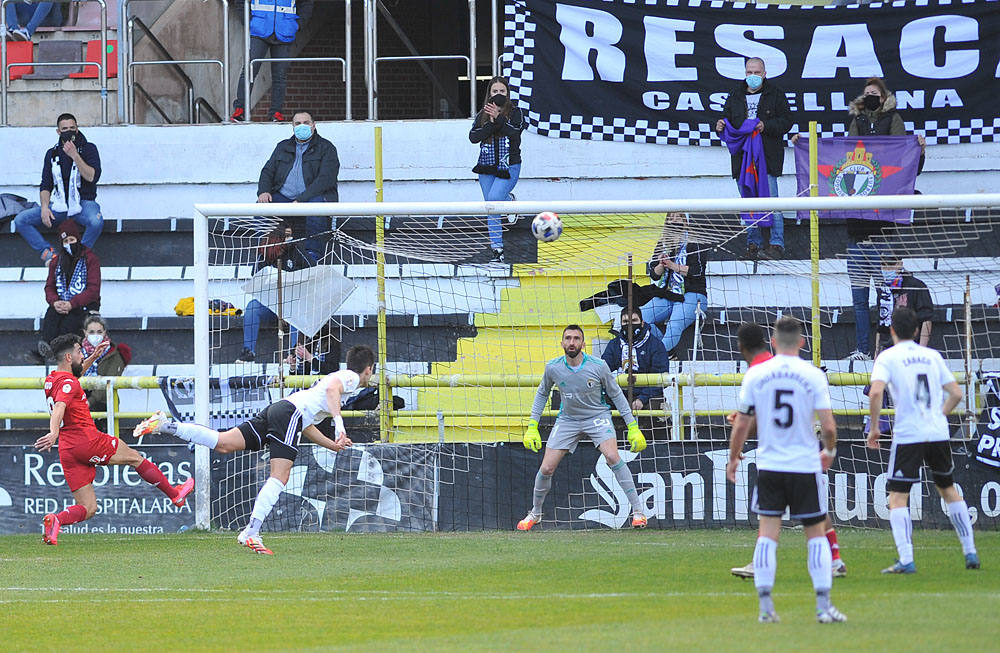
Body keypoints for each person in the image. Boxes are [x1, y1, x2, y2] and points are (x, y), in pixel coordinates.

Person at [134, 344, 376, 554]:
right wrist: (339, 426)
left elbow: (306, 424)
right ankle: (251, 531)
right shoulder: (351, 378)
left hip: (280, 410)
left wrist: (331, 444)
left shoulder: (334, 380)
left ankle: (166, 426)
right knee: (279, 477)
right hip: (289, 415)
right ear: (369, 369)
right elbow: (332, 390)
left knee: (224, 443)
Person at [726, 317, 845, 624]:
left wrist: (734, 457)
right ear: (802, 342)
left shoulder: (758, 374)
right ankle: (823, 607)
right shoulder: (813, 375)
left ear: (774, 342)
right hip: (805, 465)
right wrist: (828, 451)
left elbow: (741, 422)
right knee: (815, 535)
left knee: (768, 535)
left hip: (771, 465)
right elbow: (829, 427)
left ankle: (766, 610)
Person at [35, 334, 194, 545]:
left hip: (68, 449)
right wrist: (53, 432)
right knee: (135, 458)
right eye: (79, 352)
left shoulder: (53, 379)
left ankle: (56, 520)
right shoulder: (69, 384)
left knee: (88, 508)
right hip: (86, 440)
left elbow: (73, 379)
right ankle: (175, 494)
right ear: (67, 356)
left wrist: (93, 357)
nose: (82, 355)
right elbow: (60, 407)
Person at [867, 307, 980, 573]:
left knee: (897, 497)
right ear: (917, 330)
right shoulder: (932, 356)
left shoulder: (888, 357)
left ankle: (906, 559)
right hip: (937, 432)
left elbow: (875, 394)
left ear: (892, 330)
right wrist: (938, 417)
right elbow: (956, 394)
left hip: (909, 434)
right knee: (948, 488)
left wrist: (874, 429)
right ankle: (970, 552)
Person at [517, 325, 648, 531]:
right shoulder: (553, 367)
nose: (572, 342)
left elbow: (616, 394)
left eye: (576, 338)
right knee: (546, 468)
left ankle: (639, 512)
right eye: (568, 338)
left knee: (613, 457)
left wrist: (632, 426)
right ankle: (535, 513)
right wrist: (532, 426)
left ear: (583, 344)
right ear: (562, 343)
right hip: (568, 420)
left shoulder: (598, 365)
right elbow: (542, 393)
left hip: (597, 417)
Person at [843, 77, 924, 361]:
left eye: (874, 93)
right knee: (858, 299)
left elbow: (906, 161)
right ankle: (863, 349)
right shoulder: (856, 121)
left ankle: (887, 350)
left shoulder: (894, 118)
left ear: (884, 95)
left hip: (881, 234)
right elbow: (842, 157)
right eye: (866, 94)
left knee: (885, 296)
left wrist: (920, 151)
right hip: (855, 232)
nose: (870, 97)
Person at [715, 57, 792, 260]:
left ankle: (777, 243)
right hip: (742, 158)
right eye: (749, 72)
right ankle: (753, 243)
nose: (753, 76)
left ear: (764, 73)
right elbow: (727, 119)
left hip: (767, 156)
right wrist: (721, 125)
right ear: (744, 73)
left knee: (772, 200)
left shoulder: (775, 94)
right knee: (748, 200)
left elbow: (786, 121)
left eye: (757, 72)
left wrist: (765, 126)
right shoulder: (735, 95)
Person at [14, 113, 103, 263]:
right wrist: (44, 207)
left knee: (96, 222)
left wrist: (75, 155)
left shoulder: (89, 148)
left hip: (83, 203)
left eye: (72, 128)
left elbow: (92, 177)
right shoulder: (52, 153)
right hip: (60, 205)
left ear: (77, 129)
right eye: (65, 128)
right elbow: (46, 184)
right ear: (58, 132)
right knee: (21, 220)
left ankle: (79, 256)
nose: (69, 131)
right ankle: (49, 254)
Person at [256, 111, 339, 261]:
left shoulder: (326, 148)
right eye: (297, 123)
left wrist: (301, 200)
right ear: (292, 127)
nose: (302, 126)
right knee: (260, 207)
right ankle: (264, 253)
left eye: (306, 123)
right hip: (284, 197)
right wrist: (263, 191)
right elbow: (267, 171)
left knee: (316, 205)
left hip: (311, 199)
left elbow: (326, 179)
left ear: (313, 126)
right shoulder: (282, 147)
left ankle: (312, 256)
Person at [236, 222, 315, 363]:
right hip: (272, 305)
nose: (290, 239)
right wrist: (278, 308)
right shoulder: (264, 255)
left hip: (294, 303)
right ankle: (248, 352)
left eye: (290, 236)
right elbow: (257, 286)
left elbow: (314, 272)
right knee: (252, 307)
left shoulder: (296, 251)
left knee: (295, 311)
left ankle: (294, 355)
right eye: (287, 236)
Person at [469, 76, 525, 263]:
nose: (498, 95)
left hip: (509, 166)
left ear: (507, 93)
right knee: (491, 207)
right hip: (486, 168)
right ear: (489, 94)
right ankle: (497, 251)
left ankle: (509, 201)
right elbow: (473, 137)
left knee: (494, 199)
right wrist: (491, 123)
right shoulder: (482, 115)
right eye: (495, 91)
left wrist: (500, 118)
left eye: (502, 91)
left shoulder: (516, 112)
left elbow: (515, 133)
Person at [28, 220, 100, 363]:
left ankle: (59, 353)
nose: (69, 244)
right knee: (51, 316)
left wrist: (72, 303)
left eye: (72, 240)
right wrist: (55, 302)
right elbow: (49, 287)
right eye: (66, 241)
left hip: (83, 305)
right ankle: (46, 349)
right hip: (61, 303)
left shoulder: (90, 259)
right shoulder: (57, 262)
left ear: (78, 239)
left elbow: (93, 290)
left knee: (69, 323)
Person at [230, 0, 314, 122]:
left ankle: (276, 112)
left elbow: (307, 3)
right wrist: (248, 22)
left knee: (280, 75)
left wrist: (298, 25)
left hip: (284, 30)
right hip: (259, 29)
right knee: (249, 71)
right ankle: (240, 110)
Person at [640, 212, 708, 360]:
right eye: (670, 218)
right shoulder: (663, 242)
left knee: (674, 325)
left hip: (693, 294)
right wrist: (661, 264)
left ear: (685, 220)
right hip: (668, 294)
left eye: (678, 217)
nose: (674, 221)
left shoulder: (695, 241)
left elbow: (697, 271)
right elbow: (654, 274)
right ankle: (667, 351)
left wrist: (673, 265)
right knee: (639, 317)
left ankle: (656, 358)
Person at [601, 306, 670, 413]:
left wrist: (642, 399)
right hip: (620, 393)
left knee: (656, 407)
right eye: (625, 321)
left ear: (642, 323)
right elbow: (602, 370)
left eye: (634, 320)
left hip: (648, 395)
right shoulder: (614, 345)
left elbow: (662, 379)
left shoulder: (656, 345)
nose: (629, 325)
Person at [873, 252, 934, 354]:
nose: (887, 269)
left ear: (900, 264)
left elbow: (926, 319)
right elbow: (880, 323)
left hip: (911, 347)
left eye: (891, 265)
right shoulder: (883, 289)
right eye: (883, 265)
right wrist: (877, 351)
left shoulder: (916, 286)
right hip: (887, 349)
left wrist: (922, 350)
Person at [80, 314, 132, 422]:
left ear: (105, 332)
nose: (95, 335)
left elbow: (109, 381)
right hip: (80, 400)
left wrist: (89, 402)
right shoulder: (77, 353)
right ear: (85, 332)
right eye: (91, 332)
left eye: (99, 332)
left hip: (104, 402)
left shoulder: (115, 354)